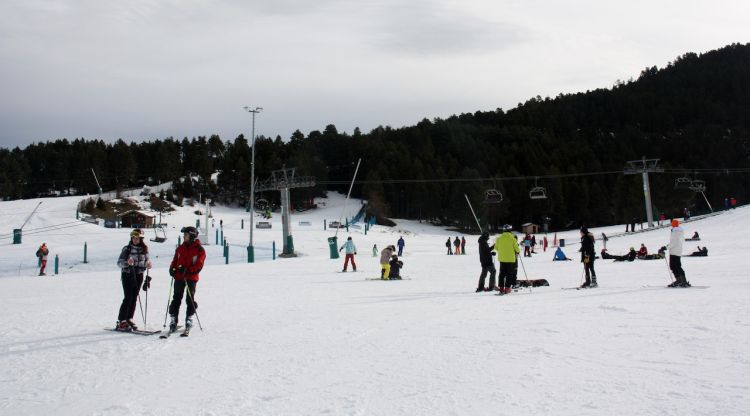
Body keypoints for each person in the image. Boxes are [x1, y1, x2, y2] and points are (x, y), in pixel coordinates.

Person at [168, 226, 206, 333]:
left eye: (186, 235)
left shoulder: (199, 250)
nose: (184, 237)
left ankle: (189, 318)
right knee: (176, 298)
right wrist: (172, 269)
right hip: (179, 276)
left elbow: (199, 265)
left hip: (191, 277)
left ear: (192, 236)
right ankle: (173, 318)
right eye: (184, 235)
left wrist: (188, 270)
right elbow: (175, 260)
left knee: (190, 298)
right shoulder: (180, 248)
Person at [115, 229, 152, 331]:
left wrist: (148, 264)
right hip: (128, 274)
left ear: (141, 239)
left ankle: (129, 318)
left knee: (135, 297)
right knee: (128, 297)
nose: (136, 240)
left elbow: (147, 260)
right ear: (131, 238)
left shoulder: (144, 249)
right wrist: (127, 262)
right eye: (134, 238)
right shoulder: (127, 249)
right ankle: (122, 321)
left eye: (138, 238)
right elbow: (119, 263)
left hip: (139, 275)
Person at [494, 225, 520, 294]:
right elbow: (517, 249)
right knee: (509, 274)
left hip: (502, 259)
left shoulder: (499, 238)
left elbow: (496, 248)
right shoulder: (512, 238)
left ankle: (501, 288)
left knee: (502, 274)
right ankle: (507, 288)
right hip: (511, 259)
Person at [667, 219, 690, 287]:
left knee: (675, 266)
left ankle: (682, 280)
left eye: (672, 224)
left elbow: (673, 243)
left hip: (674, 251)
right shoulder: (679, 231)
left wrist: (665, 247)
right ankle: (681, 280)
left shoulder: (675, 232)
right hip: (677, 251)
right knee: (675, 266)